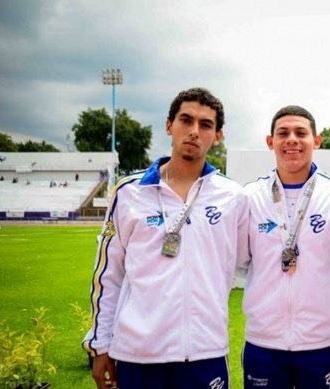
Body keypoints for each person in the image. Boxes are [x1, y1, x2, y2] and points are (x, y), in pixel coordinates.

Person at [82, 87, 248, 389]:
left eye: (206, 125)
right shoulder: (129, 192)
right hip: (138, 354)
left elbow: (248, 261)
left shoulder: (233, 197)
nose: (194, 131)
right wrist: (100, 343)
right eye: (186, 120)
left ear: (218, 136)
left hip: (205, 351)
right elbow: (110, 273)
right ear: (169, 125)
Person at [239, 105, 330, 389]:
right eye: (283, 133)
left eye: (301, 133)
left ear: (317, 141)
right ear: (270, 142)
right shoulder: (249, 197)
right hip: (263, 343)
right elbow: (236, 261)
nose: (292, 140)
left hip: (320, 342)